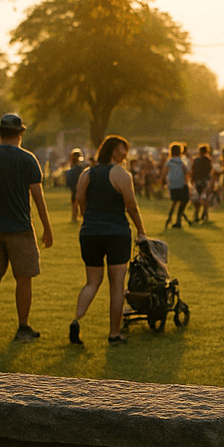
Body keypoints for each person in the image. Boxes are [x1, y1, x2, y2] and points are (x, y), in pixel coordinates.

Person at [0, 113, 53, 344]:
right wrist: (47, 228)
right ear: (20, 133)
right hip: (20, 228)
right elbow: (38, 197)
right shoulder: (27, 159)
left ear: (0, 133)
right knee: (24, 278)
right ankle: (23, 327)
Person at [69, 135, 149, 346]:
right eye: (123, 149)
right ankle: (114, 334)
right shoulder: (121, 174)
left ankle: (76, 320)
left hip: (89, 233)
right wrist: (141, 230)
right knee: (116, 285)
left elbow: (80, 199)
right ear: (114, 151)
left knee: (92, 282)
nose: (126, 154)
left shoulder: (87, 174)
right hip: (116, 233)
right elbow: (131, 206)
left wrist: (89, 218)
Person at [163, 142, 190, 229]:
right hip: (181, 184)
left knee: (174, 203)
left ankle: (169, 219)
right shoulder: (181, 161)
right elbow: (186, 171)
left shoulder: (169, 161)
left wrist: (164, 182)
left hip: (172, 185)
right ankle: (178, 220)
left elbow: (165, 172)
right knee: (183, 201)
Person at [191, 143, 215, 223]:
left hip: (197, 181)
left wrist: (192, 179)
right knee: (205, 198)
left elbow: (193, 170)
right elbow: (210, 171)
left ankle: (196, 215)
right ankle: (205, 214)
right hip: (205, 181)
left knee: (197, 199)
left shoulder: (196, 160)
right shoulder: (208, 160)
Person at [64, 149, 86, 223]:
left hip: (74, 185)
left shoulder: (72, 167)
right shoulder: (79, 168)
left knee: (74, 201)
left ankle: (74, 217)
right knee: (77, 202)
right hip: (77, 185)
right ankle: (76, 217)